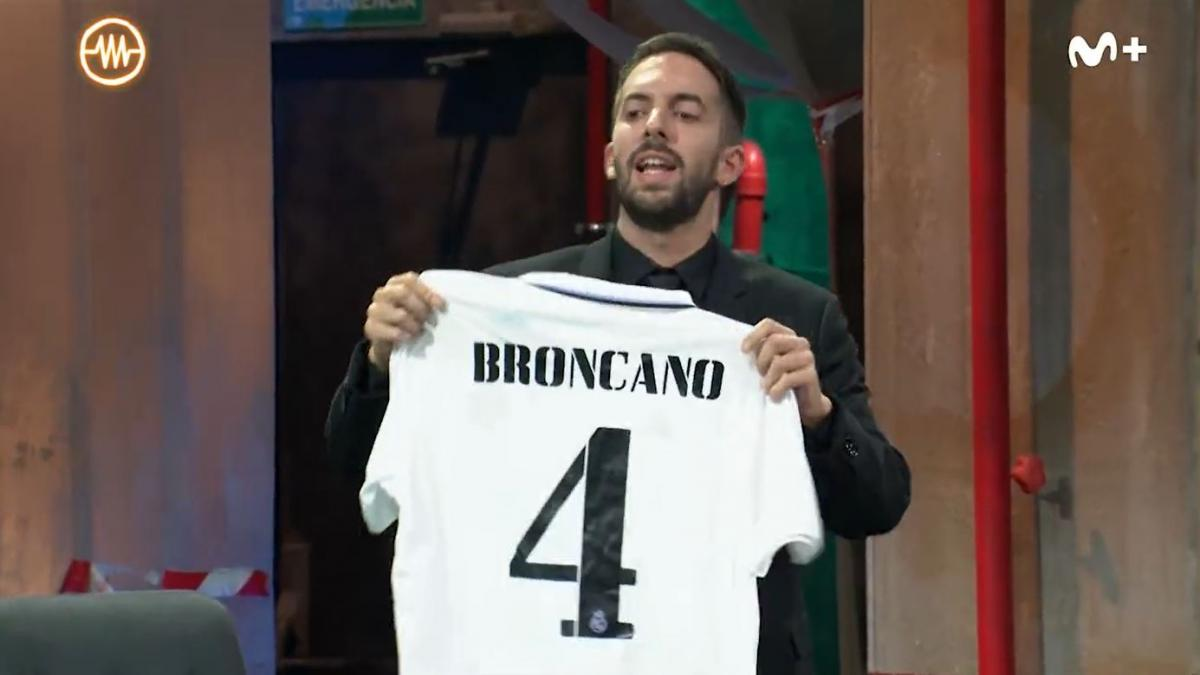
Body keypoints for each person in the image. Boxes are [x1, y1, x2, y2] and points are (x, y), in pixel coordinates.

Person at [325, 32, 911, 675]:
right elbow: (356, 462)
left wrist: (819, 417)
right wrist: (382, 365)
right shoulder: (509, 306)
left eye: (685, 113)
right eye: (636, 111)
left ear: (729, 163)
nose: (655, 126)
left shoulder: (796, 318)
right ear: (611, 156)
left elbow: (878, 502)